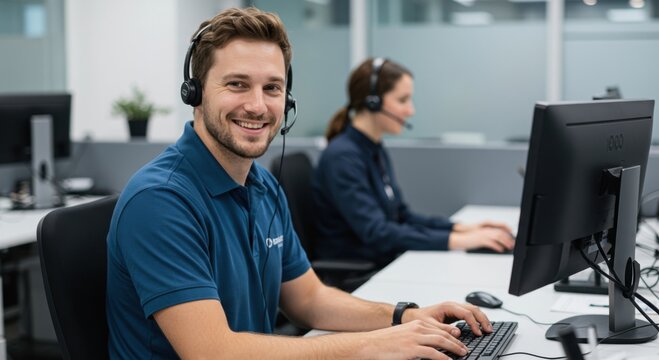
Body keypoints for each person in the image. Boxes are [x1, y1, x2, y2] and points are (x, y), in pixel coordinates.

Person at [106, 7, 493, 359]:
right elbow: (213, 352)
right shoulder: (161, 200)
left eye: (272, 88)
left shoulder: (263, 188)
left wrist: (404, 316)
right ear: (194, 93)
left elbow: (309, 298)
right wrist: (375, 344)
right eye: (237, 84)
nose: (258, 105)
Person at [312, 58, 515, 267]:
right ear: (373, 102)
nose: (411, 111)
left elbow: (402, 215)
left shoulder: (373, 149)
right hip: (358, 274)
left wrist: (461, 229)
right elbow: (377, 233)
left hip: (384, 262)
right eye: (403, 100)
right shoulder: (343, 158)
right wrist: (460, 241)